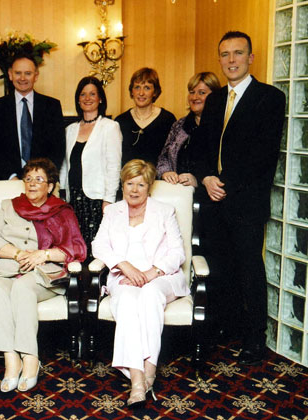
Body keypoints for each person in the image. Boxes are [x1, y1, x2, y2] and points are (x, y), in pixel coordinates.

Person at [193, 31, 286, 365]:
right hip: (213, 198)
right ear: (219, 59)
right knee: (219, 268)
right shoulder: (215, 99)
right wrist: (206, 178)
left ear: (251, 58)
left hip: (245, 201)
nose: (230, 60)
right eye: (224, 54)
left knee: (249, 269)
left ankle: (254, 339)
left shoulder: (270, 98)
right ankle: (226, 326)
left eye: (237, 53)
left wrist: (225, 183)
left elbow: (263, 155)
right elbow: (201, 148)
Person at [0, 158, 86, 392]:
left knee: (23, 288)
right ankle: (11, 358)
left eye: (39, 179)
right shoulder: (9, 205)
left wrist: (44, 254)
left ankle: (30, 358)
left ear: (50, 186)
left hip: (45, 276)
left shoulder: (62, 210)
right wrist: (18, 253)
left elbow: (78, 249)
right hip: (9, 270)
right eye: (28, 179)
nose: (32, 184)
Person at [92, 159, 189, 409]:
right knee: (125, 300)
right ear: (122, 185)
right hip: (125, 276)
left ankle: (150, 369)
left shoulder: (164, 210)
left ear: (149, 187)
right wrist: (125, 266)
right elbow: (99, 246)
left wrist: (150, 273)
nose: (135, 190)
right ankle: (138, 380)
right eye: (130, 183)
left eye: (141, 184)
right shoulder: (112, 211)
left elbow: (177, 253)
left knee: (149, 295)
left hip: (162, 276)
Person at [60, 76, 122, 253]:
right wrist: (62, 196)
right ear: (78, 100)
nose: (87, 98)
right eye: (83, 94)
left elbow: (113, 166)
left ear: (100, 98)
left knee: (96, 249)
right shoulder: (69, 130)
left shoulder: (109, 127)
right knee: (76, 248)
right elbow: (65, 165)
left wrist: (108, 200)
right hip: (74, 199)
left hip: (96, 199)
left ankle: (95, 281)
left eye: (92, 94)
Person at [0, 54, 66, 180]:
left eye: (28, 73)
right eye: (18, 73)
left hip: (43, 181)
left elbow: (58, 148)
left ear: (36, 76)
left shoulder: (51, 106)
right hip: (7, 180)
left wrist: (43, 177)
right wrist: (11, 176)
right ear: (10, 75)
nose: (22, 78)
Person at [157, 72, 221, 187]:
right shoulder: (179, 125)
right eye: (192, 92)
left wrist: (199, 180)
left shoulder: (221, 126)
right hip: (179, 194)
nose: (195, 97)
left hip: (209, 197)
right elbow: (164, 157)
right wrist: (165, 172)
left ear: (215, 96)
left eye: (202, 93)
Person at [115, 68, 176, 167]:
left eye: (147, 88)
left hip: (158, 180)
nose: (141, 93)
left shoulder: (168, 119)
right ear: (131, 91)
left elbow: (172, 156)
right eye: (137, 87)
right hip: (128, 180)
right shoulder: (121, 121)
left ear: (155, 92)